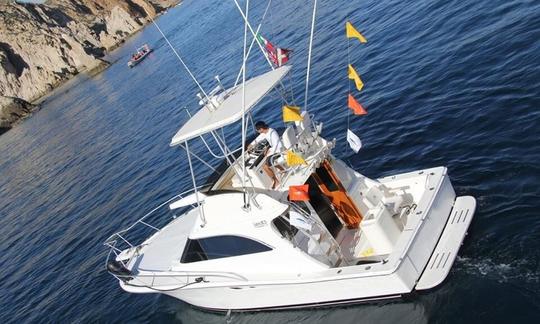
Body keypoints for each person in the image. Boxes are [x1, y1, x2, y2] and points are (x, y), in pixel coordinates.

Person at [248, 121, 284, 189]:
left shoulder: (272, 133)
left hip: (279, 151)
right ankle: (282, 170)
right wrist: (251, 145)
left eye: (258, 130)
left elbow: (278, 145)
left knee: (265, 166)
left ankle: (276, 181)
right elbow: (259, 138)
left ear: (261, 129)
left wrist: (269, 151)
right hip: (274, 151)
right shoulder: (266, 132)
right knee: (268, 159)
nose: (257, 131)